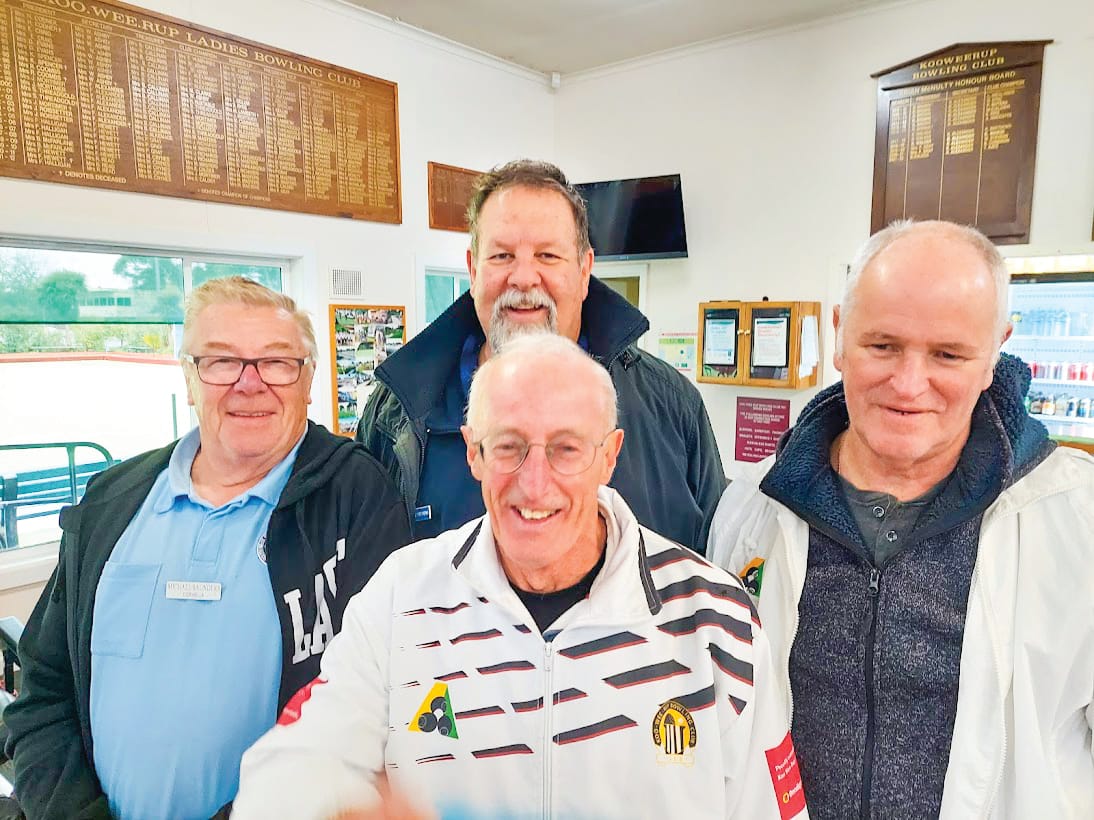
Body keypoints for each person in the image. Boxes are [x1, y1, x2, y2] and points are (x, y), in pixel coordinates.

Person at [233, 333, 805, 820]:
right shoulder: (402, 596)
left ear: (609, 456)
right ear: (473, 454)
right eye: (507, 446)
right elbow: (292, 764)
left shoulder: (717, 622)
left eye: (566, 449)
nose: (534, 484)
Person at [708, 220, 1094, 819]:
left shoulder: (1074, 518)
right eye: (882, 346)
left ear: (997, 351)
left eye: (948, 354)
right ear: (839, 336)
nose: (909, 384)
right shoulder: (753, 508)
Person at [4, 278, 411, 820]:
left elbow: (375, 705)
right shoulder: (110, 502)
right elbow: (45, 689)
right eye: (221, 361)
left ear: (308, 379)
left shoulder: (357, 497)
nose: (250, 383)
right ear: (190, 379)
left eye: (277, 361)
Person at [357, 159, 726, 551]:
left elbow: (718, 563)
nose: (523, 277)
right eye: (501, 256)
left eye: (547, 256)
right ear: (473, 270)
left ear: (584, 270)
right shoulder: (395, 414)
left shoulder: (670, 406)